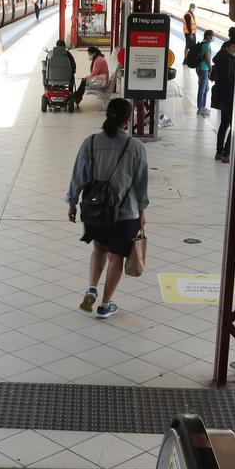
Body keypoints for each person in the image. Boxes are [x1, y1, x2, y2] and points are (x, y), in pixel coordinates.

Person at [66, 98, 149, 320]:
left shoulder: (90, 142)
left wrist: (72, 202)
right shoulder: (135, 147)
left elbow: (78, 176)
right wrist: (142, 210)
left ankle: (91, 287)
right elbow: (141, 184)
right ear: (127, 120)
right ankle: (104, 305)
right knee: (116, 258)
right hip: (125, 213)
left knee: (99, 250)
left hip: (95, 211)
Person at [210, 38, 235, 162]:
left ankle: (219, 153)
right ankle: (226, 154)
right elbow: (227, 78)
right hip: (228, 96)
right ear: (232, 46)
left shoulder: (220, 57)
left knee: (224, 124)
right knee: (234, 126)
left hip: (221, 96)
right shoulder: (227, 59)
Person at [195, 30, 214, 116]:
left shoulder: (205, 44)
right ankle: (200, 108)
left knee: (206, 89)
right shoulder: (206, 45)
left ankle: (203, 106)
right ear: (209, 36)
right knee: (202, 89)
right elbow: (207, 58)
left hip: (202, 68)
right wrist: (210, 68)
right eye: (213, 35)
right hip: (204, 69)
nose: (214, 37)